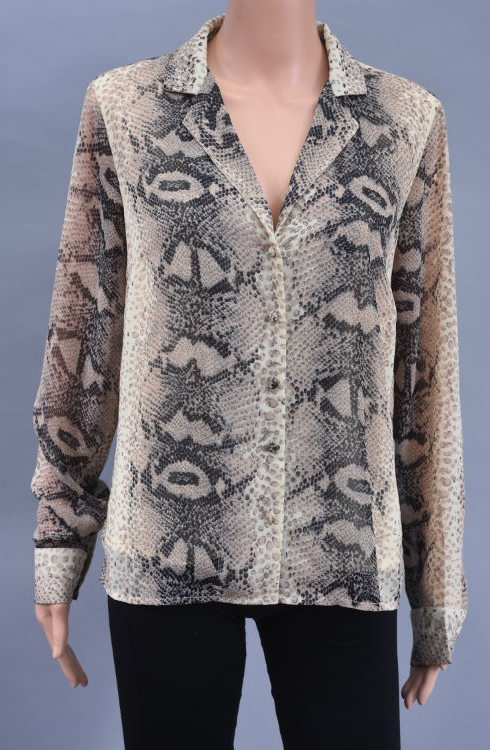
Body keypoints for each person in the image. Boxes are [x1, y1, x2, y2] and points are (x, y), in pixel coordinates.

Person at [31, 3, 468, 749]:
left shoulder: (405, 121)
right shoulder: (127, 107)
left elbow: (424, 372)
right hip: (166, 546)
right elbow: (84, 333)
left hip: (341, 550)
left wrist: (437, 592)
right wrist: (58, 540)